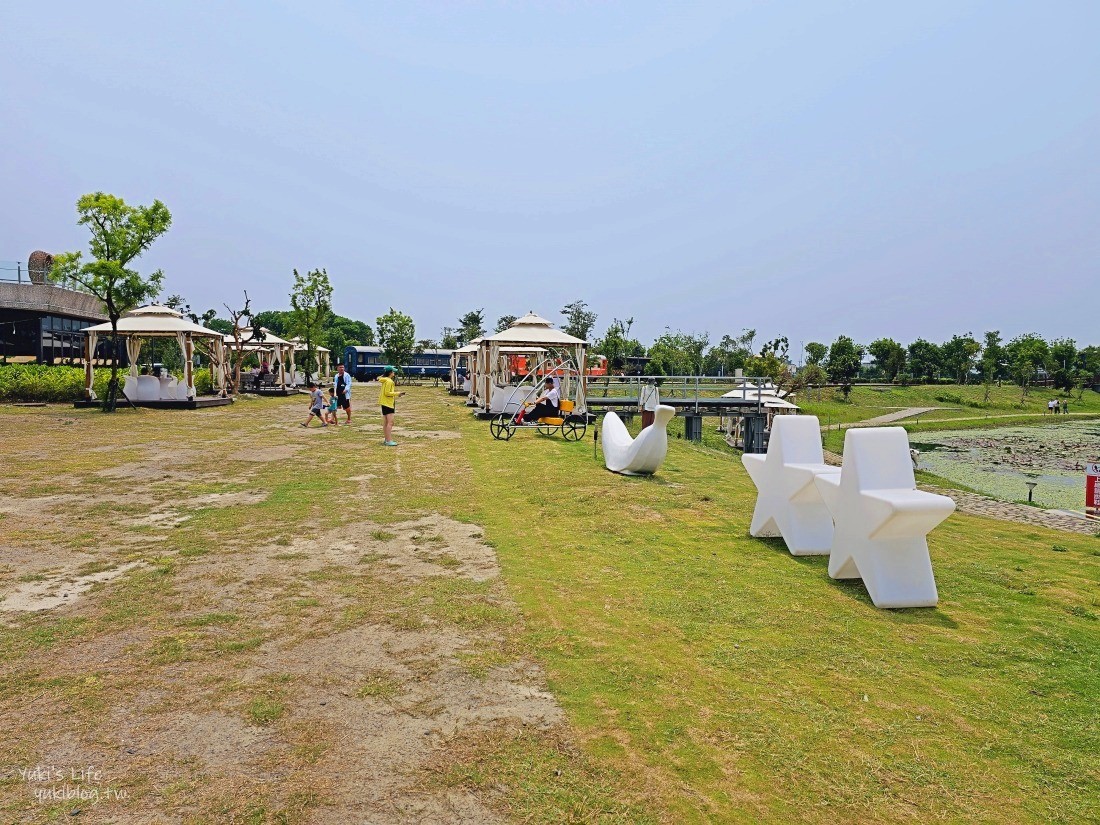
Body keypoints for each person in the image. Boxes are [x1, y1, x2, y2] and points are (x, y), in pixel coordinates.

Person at [378, 367, 405, 446]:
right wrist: (397, 393)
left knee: (386, 422)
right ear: (390, 372)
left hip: (384, 402)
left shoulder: (384, 379)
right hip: (388, 403)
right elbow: (387, 393)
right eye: (393, 372)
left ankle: (387, 439)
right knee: (390, 422)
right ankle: (389, 440)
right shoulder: (389, 381)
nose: (394, 373)